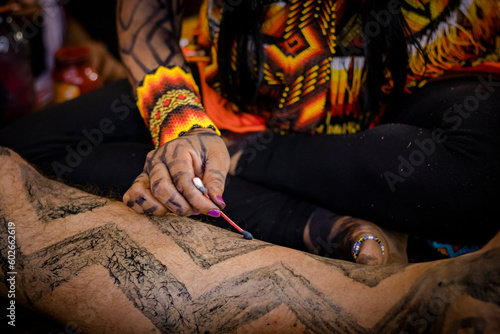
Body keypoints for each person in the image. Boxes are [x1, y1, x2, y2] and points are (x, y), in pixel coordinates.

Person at [1, 0, 499, 264]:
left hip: (404, 94)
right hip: (227, 84)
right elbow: (147, 8)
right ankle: (312, 221)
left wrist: (223, 150)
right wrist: (179, 121)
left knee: (471, 179)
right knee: (21, 152)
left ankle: (239, 159)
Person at [1, 146, 500, 333]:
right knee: (35, 157)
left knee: (454, 173)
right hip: (218, 114)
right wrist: (183, 124)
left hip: (376, 137)